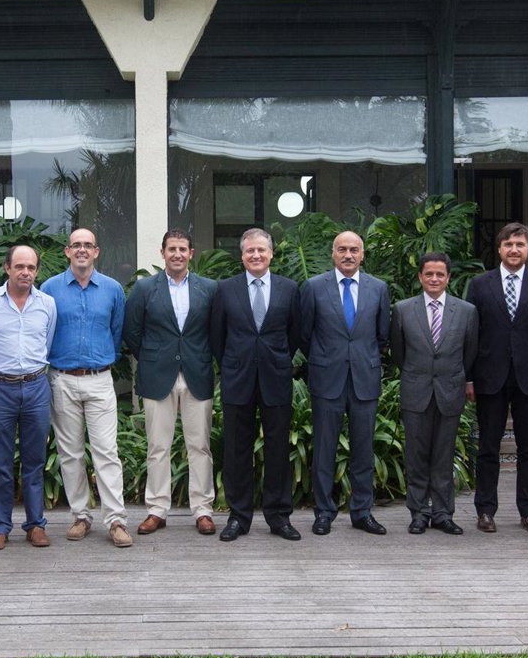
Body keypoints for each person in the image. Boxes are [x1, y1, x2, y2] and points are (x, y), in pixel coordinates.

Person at [466, 223, 528, 534]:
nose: (514, 249)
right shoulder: (480, 284)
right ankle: (485, 510)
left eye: (520, 244)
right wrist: (468, 378)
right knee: (488, 447)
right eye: (508, 244)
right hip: (489, 377)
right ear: (499, 248)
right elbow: (470, 335)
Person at [40, 228, 131, 548]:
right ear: (67, 251)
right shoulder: (50, 289)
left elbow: (116, 332)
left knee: (107, 451)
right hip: (62, 378)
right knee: (70, 453)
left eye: (87, 245)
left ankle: (116, 519)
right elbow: (44, 331)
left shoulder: (112, 289)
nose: (82, 250)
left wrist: (102, 360)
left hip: (99, 378)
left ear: (96, 251)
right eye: (76, 245)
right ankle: (81, 516)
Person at [124, 229, 219, 536]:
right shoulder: (144, 288)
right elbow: (132, 331)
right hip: (157, 375)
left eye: (182, 249)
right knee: (157, 446)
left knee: (200, 446)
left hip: (197, 374)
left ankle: (202, 510)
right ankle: (156, 509)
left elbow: (216, 331)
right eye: (172, 249)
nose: (177, 254)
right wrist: (152, 357)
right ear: (162, 252)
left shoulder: (209, 288)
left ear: (191, 253)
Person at [209, 227, 299, 542]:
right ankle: (238, 517)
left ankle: (279, 517)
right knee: (237, 451)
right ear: (242, 255)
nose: (256, 255)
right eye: (250, 250)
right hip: (238, 378)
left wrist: (276, 358)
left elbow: (295, 333)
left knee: (278, 450)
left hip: (276, 378)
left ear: (271, 253)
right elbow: (217, 336)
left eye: (261, 250)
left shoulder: (289, 289)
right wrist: (234, 363)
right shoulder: (225, 289)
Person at [299, 231, 391, 536]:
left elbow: (382, 335)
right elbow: (304, 334)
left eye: (354, 249)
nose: (348, 255)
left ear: (362, 254)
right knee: (324, 449)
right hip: (327, 379)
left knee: (363, 449)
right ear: (333, 253)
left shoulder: (378, 288)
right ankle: (324, 512)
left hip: (364, 379)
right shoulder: (314, 287)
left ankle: (362, 512)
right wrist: (325, 358)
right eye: (342, 249)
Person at [389, 252, 478, 535]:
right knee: (416, 456)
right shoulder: (403, 309)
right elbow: (398, 352)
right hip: (416, 391)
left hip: (449, 392)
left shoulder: (466, 311)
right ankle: (419, 513)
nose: (435, 279)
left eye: (440, 274)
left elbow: (470, 352)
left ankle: (442, 513)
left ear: (448, 277)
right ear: (420, 277)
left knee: (443, 455)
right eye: (429, 274)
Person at [0, 245, 57, 551]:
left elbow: (47, 342)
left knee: (35, 461)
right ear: (7, 268)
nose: (26, 272)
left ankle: (35, 525)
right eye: (20, 266)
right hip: (0, 387)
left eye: (31, 268)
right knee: (0, 462)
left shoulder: (47, 304)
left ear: (36, 271)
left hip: (36, 386)